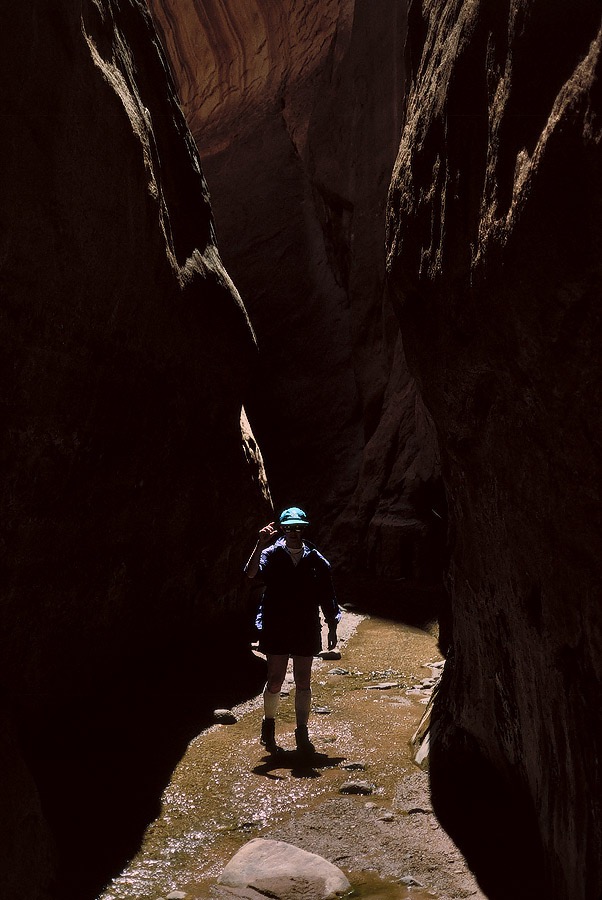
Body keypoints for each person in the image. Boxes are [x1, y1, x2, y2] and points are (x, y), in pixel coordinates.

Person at [244, 506, 341, 754]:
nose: (294, 532)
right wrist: (259, 543)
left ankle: (302, 731)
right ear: (283, 530)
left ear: (304, 529)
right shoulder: (271, 553)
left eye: (298, 528)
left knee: (303, 680)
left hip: (305, 625)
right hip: (276, 624)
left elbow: (327, 594)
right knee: (275, 679)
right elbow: (251, 573)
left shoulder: (316, 560)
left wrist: (332, 625)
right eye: (289, 528)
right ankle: (269, 724)